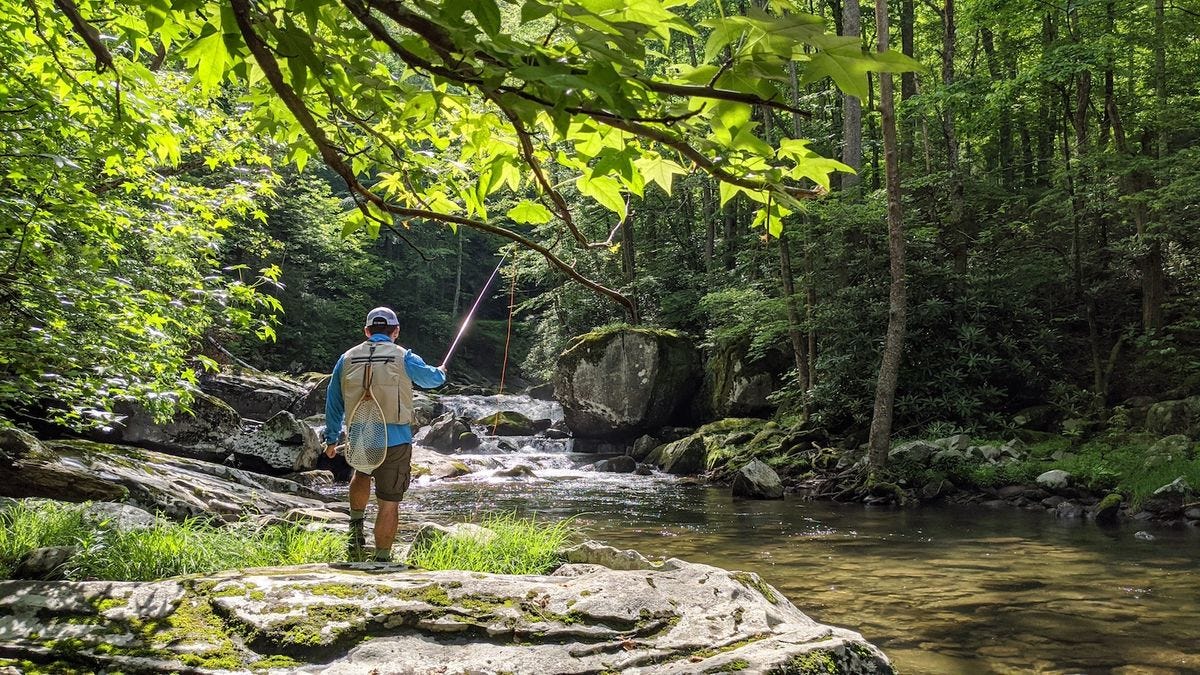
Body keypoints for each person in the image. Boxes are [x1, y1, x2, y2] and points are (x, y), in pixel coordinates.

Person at [324, 307, 447, 561]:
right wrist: (441, 371)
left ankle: (356, 526)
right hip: (396, 440)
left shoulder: (346, 358)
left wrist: (331, 439)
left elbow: (333, 401)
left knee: (361, 473)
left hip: (359, 434)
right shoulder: (404, 356)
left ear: (367, 331)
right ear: (396, 332)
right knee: (389, 502)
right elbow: (432, 380)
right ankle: (381, 560)